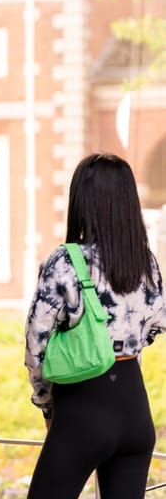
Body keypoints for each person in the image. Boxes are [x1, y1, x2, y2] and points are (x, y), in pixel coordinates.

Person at [25, 154, 166, 499]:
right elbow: (156, 324)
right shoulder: (145, 260)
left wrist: (46, 403)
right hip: (135, 409)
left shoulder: (66, 260)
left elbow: (36, 344)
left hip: (82, 409)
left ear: (82, 201)